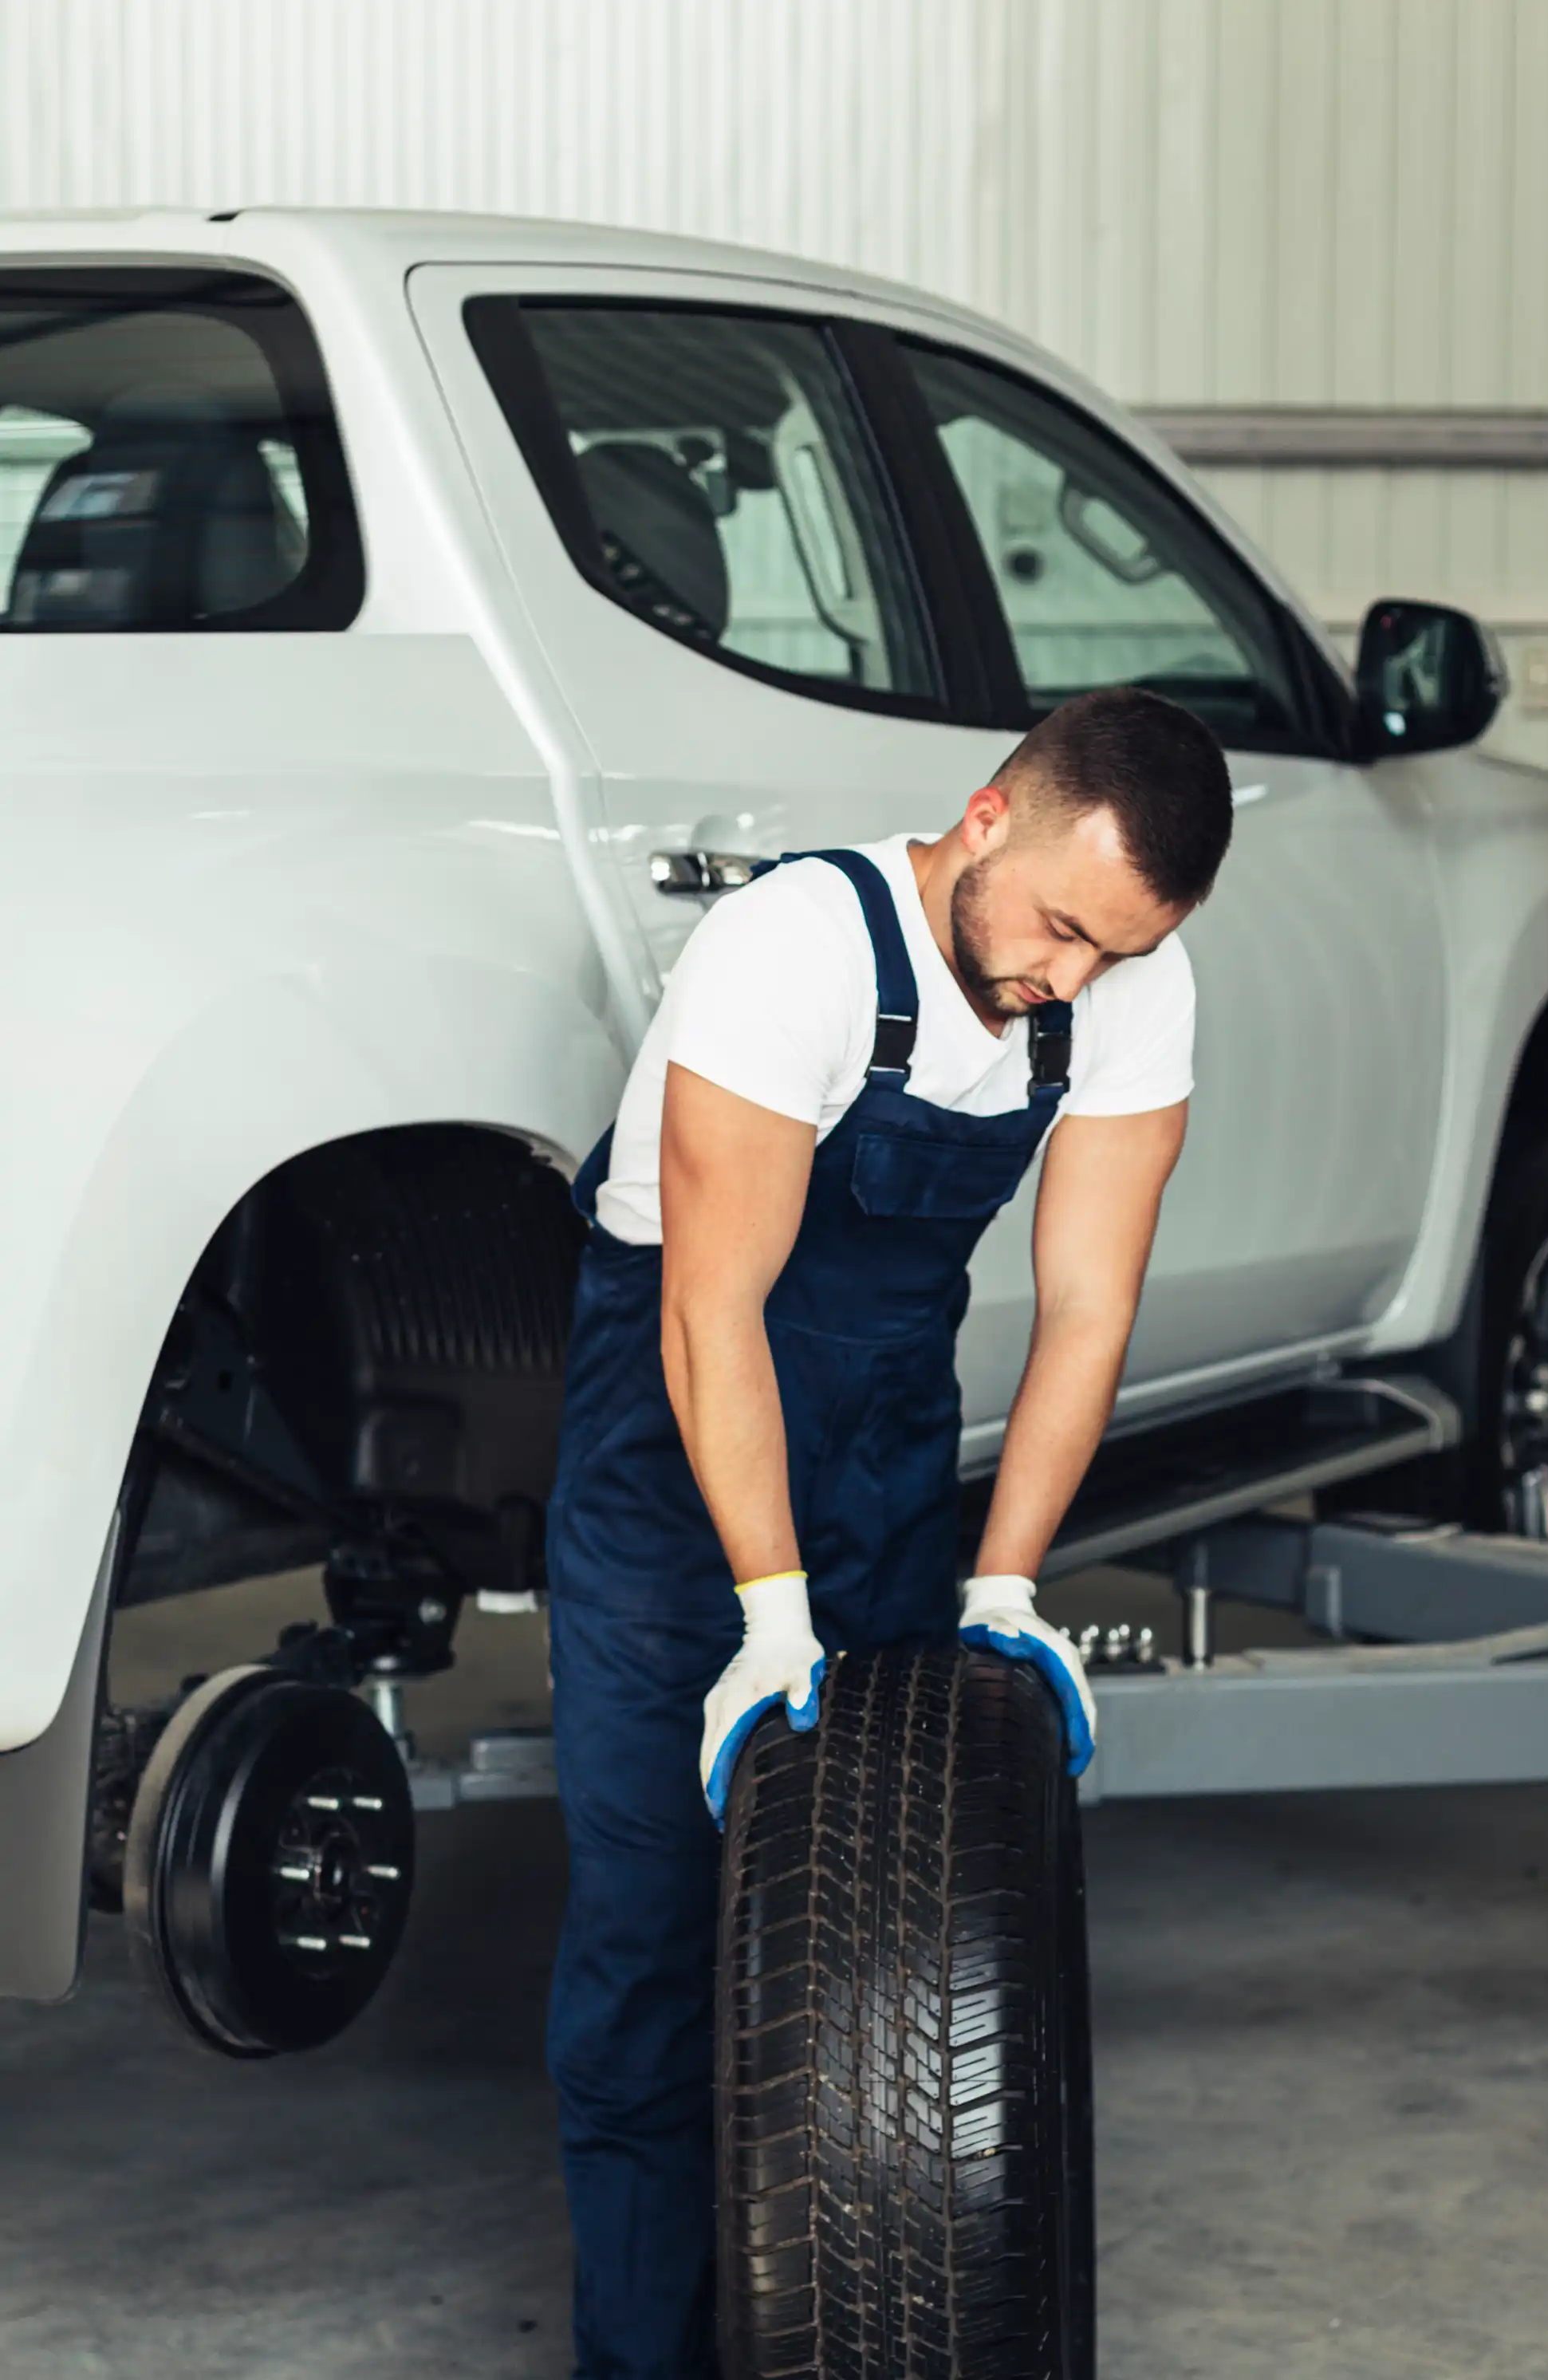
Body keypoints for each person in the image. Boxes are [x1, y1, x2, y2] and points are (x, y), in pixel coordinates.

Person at [545, 684, 1233, 2379]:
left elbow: (1084, 1308)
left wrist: (1005, 1580)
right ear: (989, 819)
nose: (1069, 980)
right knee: (651, 1955)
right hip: (673, 1457)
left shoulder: (1120, 980)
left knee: (883, 1945)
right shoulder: (794, 951)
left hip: (885, 1467)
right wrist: (769, 1615)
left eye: (1117, 954)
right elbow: (713, 1311)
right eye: (1066, 929)